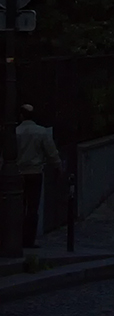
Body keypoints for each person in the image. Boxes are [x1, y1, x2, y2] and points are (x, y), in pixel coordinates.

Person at [16, 104, 62, 248]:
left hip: (18, 173)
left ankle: (16, 238)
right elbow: (52, 153)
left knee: (18, 206)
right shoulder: (41, 132)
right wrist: (57, 167)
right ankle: (29, 240)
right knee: (33, 208)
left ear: (21, 116)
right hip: (35, 172)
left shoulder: (15, 132)